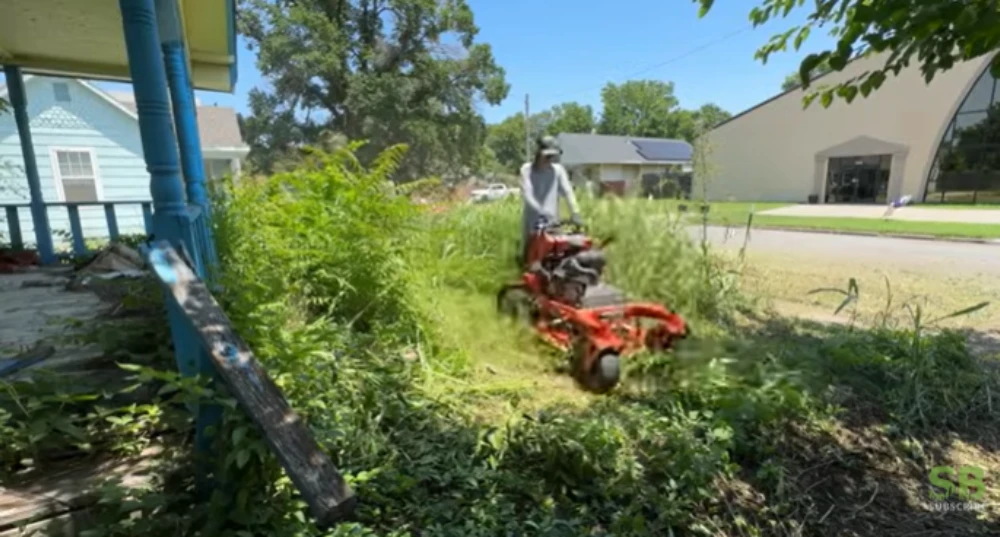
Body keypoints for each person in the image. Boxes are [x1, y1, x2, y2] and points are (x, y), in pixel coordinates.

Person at [519, 135, 583, 264]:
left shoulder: (558, 171)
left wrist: (575, 212)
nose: (549, 159)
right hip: (532, 223)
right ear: (538, 153)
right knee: (532, 260)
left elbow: (568, 192)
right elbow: (528, 194)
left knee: (555, 257)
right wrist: (541, 211)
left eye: (552, 157)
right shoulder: (527, 170)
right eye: (547, 156)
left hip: (553, 222)